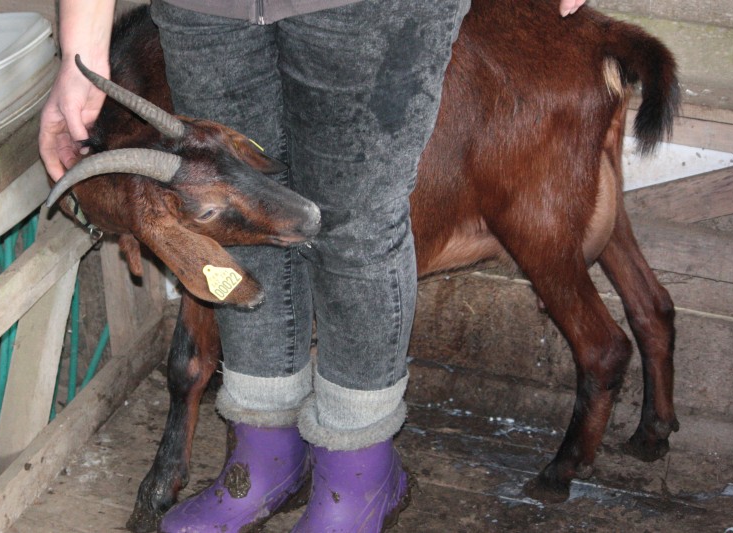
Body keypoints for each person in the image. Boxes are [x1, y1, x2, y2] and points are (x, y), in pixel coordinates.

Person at [39, 0, 585, 531]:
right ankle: (268, 456)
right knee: (238, 221)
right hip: (205, 10)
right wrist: (80, 53)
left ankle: (361, 479)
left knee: (354, 228)